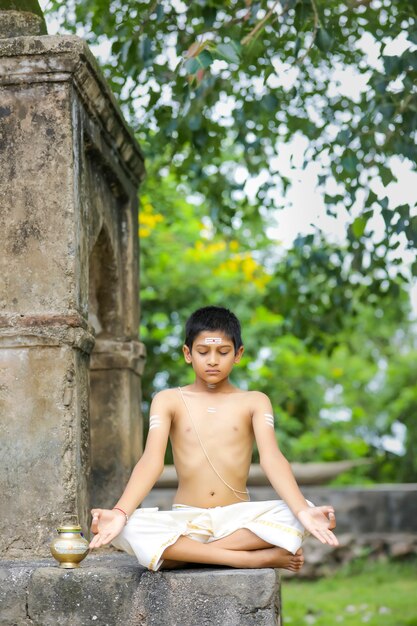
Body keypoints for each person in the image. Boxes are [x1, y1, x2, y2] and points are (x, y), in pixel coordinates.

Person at [89, 306, 338, 571]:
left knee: (302, 511)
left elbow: (272, 458)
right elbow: (152, 460)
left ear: (238, 354)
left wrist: (302, 510)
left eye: (223, 352)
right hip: (187, 518)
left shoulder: (254, 401)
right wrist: (119, 513)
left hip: (237, 519)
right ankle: (248, 558)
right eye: (203, 352)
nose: (212, 360)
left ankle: (186, 555)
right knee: (129, 527)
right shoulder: (168, 400)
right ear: (188, 353)